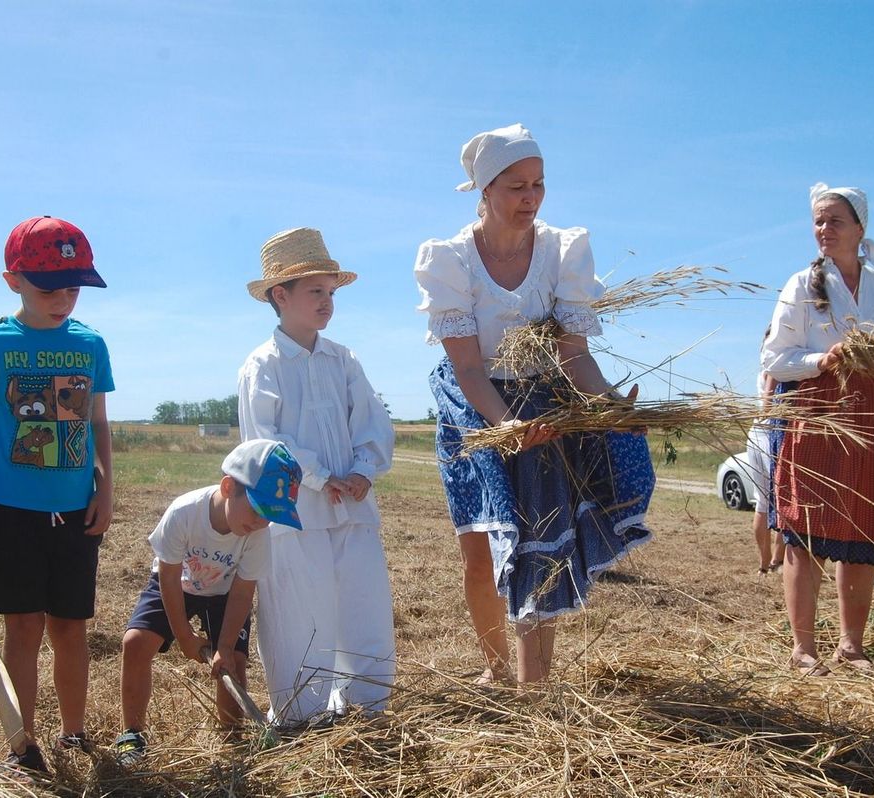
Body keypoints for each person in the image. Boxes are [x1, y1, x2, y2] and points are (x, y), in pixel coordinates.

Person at [414, 123, 655, 685]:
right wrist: (506, 424)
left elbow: (574, 354)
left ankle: (534, 688)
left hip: (543, 405)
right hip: (476, 409)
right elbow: (470, 369)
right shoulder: (450, 260)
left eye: (538, 184)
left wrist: (611, 404)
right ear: (485, 191)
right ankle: (495, 669)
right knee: (479, 548)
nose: (530, 197)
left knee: (537, 544)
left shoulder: (561, 251)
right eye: (516, 186)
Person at [0, 216, 113, 775]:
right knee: (23, 625)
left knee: (70, 625)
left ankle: (74, 733)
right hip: (9, 511)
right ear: (12, 280)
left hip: (73, 507)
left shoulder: (90, 344)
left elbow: (98, 424)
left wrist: (105, 488)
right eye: (50, 288)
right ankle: (25, 740)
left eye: (74, 287)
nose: (64, 300)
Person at [761, 183, 874, 674]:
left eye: (835, 220)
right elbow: (775, 357)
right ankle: (803, 649)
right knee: (807, 532)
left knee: (862, 537)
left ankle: (852, 646)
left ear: (860, 228)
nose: (824, 229)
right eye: (818, 221)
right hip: (818, 417)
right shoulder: (801, 285)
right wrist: (824, 357)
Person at [238, 227, 396, 727]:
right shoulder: (262, 364)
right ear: (279, 296)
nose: (327, 302)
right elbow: (264, 439)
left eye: (330, 292)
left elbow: (372, 422)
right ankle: (300, 715)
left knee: (364, 604)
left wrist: (364, 471)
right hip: (296, 514)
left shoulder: (343, 359)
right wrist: (318, 475)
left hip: (351, 508)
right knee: (300, 613)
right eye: (315, 291)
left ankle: (369, 706)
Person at [114, 439, 303, 764]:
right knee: (135, 643)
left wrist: (225, 646)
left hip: (226, 594)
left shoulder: (257, 535)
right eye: (258, 509)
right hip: (179, 585)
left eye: (271, 516)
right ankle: (132, 734)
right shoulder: (185, 513)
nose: (261, 522)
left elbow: (243, 593)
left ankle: (231, 743)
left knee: (234, 665)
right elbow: (169, 578)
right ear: (229, 486)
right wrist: (185, 637)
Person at [748, 342, 785, 575]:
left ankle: (765, 563)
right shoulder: (778, 364)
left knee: (762, 504)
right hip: (771, 433)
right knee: (781, 502)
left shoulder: (764, 363)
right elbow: (768, 404)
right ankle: (775, 561)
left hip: (756, 432)